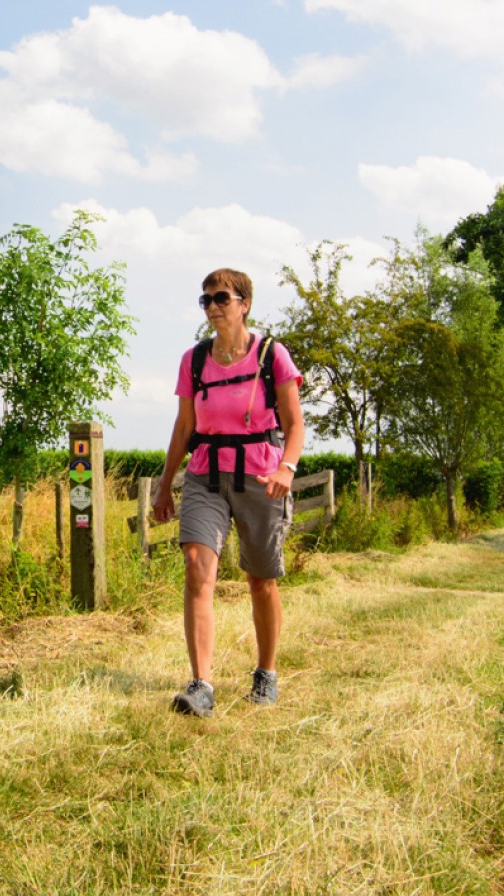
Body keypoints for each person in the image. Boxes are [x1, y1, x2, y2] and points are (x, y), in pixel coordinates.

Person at [152, 268, 305, 717]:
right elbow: (184, 427)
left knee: (261, 580)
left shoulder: (272, 356)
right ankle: (201, 685)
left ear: (244, 304)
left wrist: (287, 468)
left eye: (221, 298)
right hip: (205, 476)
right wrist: (165, 486)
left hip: (261, 478)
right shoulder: (194, 360)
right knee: (197, 566)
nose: (212, 307)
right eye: (206, 300)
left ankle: (266, 673)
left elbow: (295, 425)